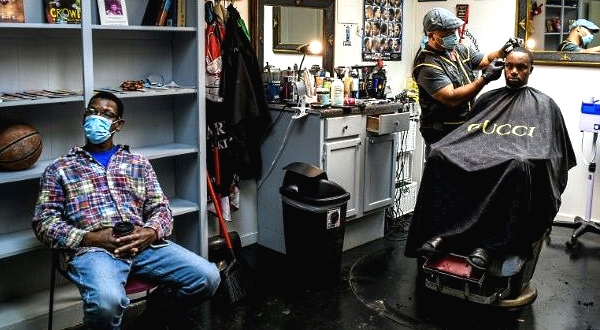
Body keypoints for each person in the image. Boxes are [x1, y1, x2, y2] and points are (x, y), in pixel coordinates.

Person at [32, 91, 221, 330]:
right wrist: (92, 238)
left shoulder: (138, 163)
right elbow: (44, 224)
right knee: (107, 304)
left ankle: (153, 320)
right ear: (84, 118)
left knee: (208, 277)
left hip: (143, 246)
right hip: (93, 251)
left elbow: (161, 209)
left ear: (118, 125)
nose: (96, 118)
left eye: (106, 114)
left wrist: (150, 232)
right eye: (92, 112)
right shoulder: (60, 168)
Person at [405, 47, 576, 270]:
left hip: (513, 164)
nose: (514, 71)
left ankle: (490, 245)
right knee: (438, 156)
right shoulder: (487, 98)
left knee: (518, 165)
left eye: (521, 67)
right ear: (503, 68)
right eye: (509, 66)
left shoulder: (544, 104)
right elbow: (471, 134)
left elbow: (552, 150)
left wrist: (521, 155)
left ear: (530, 70)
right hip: (486, 157)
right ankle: (442, 235)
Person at [413, 7, 522, 155]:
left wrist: (503, 51)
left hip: (464, 128)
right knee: (444, 175)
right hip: (441, 134)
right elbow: (451, 98)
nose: (455, 36)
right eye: (449, 34)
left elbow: (486, 60)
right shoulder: (426, 64)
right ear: (431, 36)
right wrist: (485, 79)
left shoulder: (458, 50)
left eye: (455, 31)